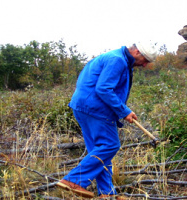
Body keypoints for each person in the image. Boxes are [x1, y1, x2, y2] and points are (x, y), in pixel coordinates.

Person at [56, 41, 158, 199]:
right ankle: (73, 180)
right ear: (137, 52)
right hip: (96, 109)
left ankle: (107, 194)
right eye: (145, 60)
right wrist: (124, 111)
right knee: (110, 145)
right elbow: (103, 89)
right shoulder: (117, 60)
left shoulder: (114, 57)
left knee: (100, 152)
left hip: (84, 107)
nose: (144, 65)